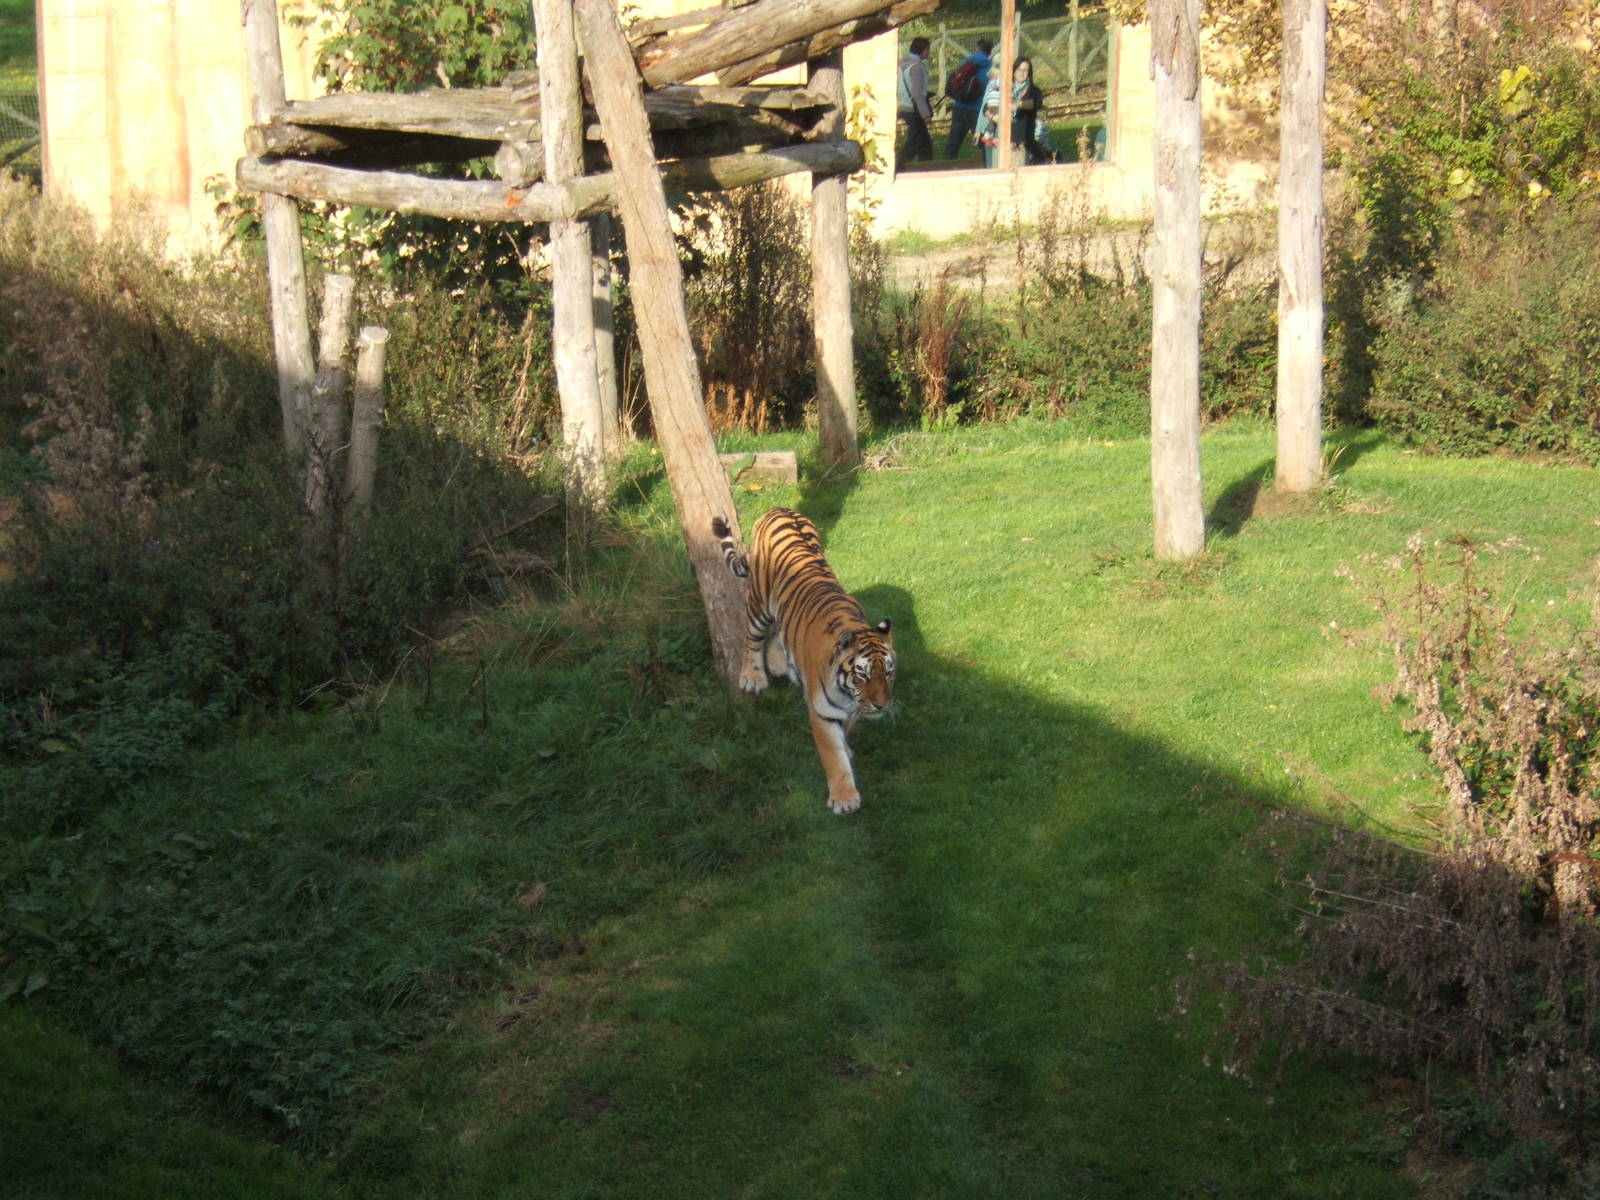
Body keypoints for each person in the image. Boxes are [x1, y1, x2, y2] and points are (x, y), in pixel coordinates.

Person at [976, 56, 1047, 168]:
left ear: (1029, 73)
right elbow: (986, 107)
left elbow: (1035, 103)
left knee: (1016, 173)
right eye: (1019, 69)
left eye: (1025, 70)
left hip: (1019, 142)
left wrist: (1017, 104)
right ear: (1013, 71)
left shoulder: (1034, 91)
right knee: (994, 172)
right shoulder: (1003, 86)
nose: (1022, 73)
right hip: (996, 139)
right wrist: (993, 117)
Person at [944, 38, 994, 161]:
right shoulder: (990, 67)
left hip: (959, 106)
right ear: (990, 51)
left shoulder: (966, 62)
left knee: (953, 144)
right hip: (977, 109)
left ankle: (946, 166)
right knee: (983, 143)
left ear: (977, 49)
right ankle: (987, 164)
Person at [895, 36, 934, 170]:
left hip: (902, 105)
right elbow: (917, 93)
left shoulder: (902, 64)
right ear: (921, 49)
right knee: (916, 142)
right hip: (913, 109)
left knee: (923, 142)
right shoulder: (916, 67)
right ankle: (899, 164)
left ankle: (925, 167)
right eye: (927, 49)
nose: (929, 52)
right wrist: (925, 114)